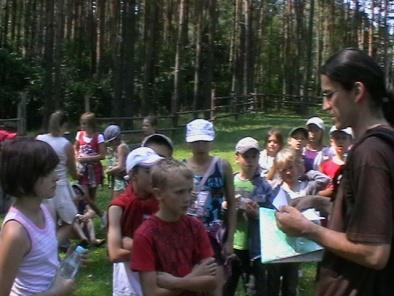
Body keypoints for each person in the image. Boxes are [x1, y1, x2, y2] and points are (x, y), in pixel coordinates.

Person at [276, 48, 394, 296]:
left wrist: (307, 229)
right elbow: (373, 219)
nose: (325, 105)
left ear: (358, 91)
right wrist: (320, 202)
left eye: (329, 95)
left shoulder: (370, 153)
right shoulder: (382, 145)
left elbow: (375, 252)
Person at [131, 159, 218, 296]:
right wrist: (195, 276)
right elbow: (151, 292)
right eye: (179, 192)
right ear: (159, 194)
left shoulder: (195, 226)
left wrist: (174, 283)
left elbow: (213, 281)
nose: (187, 198)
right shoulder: (145, 235)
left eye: (190, 191)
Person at [0, 138, 74, 295]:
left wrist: (66, 262)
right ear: (24, 178)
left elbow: (41, 260)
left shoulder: (46, 210)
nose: (56, 177)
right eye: (47, 173)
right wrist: (57, 292)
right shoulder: (16, 233)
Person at [184, 119, 236, 295]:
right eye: (196, 141)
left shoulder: (222, 166)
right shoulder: (181, 167)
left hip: (214, 234)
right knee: (190, 280)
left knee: (216, 281)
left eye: (204, 140)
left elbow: (232, 202)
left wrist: (229, 240)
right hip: (188, 233)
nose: (200, 145)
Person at [268, 147, 330, 296]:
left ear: (298, 166)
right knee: (273, 280)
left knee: (291, 280)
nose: (288, 172)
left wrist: (305, 171)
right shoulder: (276, 189)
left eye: (291, 167)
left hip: (300, 242)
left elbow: (325, 179)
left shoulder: (306, 187)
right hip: (280, 242)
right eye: (283, 170)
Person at [107, 147, 163, 296]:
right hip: (130, 281)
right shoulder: (118, 207)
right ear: (132, 174)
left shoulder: (163, 202)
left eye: (155, 170)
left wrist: (130, 244)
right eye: (147, 171)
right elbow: (115, 253)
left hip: (161, 279)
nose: (154, 175)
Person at [223, 137, 274, 296]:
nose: (250, 161)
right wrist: (226, 207)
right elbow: (219, 206)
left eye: (254, 156)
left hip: (254, 248)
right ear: (237, 158)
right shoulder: (230, 181)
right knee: (226, 286)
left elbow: (272, 214)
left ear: (259, 158)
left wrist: (259, 214)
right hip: (231, 245)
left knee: (254, 289)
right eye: (246, 156)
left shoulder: (264, 186)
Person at [36, 110, 79, 245]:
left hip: (41, 186)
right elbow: (73, 172)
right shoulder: (65, 144)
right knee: (72, 220)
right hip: (59, 188)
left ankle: (56, 246)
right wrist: (79, 175)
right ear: (64, 125)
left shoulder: (40, 139)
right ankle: (53, 245)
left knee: (49, 222)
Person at [74, 112, 106, 219]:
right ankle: (102, 215)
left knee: (92, 197)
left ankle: (88, 221)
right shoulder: (80, 135)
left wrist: (87, 158)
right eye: (81, 124)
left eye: (84, 124)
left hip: (94, 170)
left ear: (91, 124)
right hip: (83, 170)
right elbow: (76, 148)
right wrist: (77, 156)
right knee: (85, 195)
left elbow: (102, 155)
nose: (82, 126)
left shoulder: (98, 137)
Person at [318, 126, 352, 198]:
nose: (340, 141)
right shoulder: (325, 165)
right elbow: (319, 188)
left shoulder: (353, 164)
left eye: (344, 138)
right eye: (337, 138)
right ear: (331, 142)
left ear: (350, 141)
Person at [104, 125, 129, 199]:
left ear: (116, 139)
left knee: (117, 202)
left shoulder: (121, 147)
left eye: (111, 142)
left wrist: (108, 171)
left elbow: (120, 167)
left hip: (122, 179)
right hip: (117, 178)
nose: (110, 144)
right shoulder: (117, 147)